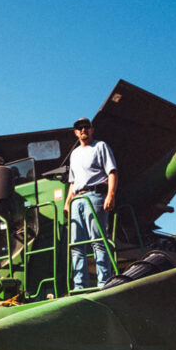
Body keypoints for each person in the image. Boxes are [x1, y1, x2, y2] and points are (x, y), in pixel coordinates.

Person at [63, 117, 118, 290]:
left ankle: (104, 283)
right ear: (75, 132)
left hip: (94, 196)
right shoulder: (75, 154)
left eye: (86, 127)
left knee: (98, 241)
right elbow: (73, 181)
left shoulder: (100, 147)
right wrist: (67, 202)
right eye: (79, 128)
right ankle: (80, 286)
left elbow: (112, 172)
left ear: (92, 130)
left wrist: (111, 195)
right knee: (76, 245)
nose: (83, 130)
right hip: (77, 200)